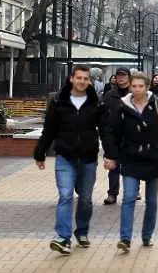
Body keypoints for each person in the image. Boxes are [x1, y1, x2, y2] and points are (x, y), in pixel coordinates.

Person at [34, 66, 106, 254]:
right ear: (72, 79)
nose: (82, 81)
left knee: (86, 199)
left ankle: (81, 232)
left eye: (86, 78)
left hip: (88, 158)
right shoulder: (58, 101)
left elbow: (105, 131)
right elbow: (48, 130)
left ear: (89, 81)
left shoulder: (95, 103)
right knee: (65, 196)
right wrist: (40, 153)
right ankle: (63, 238)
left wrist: (111, 154)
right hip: (65, 157)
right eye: (79, 78)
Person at [103, 72, 158, 252]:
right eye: (134, 86)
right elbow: (112, 132)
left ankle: (146, 236)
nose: (137, 89)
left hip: (153, 160)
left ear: (147, 87)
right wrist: (113, 154)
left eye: (140, 86)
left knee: (151, 201)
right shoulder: (123, 107)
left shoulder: (157, 105)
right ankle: (125, 239)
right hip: (130, 160)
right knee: (128, 197)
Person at [102, 67, 131, 205]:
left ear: (128, 77)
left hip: (130, 137)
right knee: (113, 166)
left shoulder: (135, 93)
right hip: (113, 137)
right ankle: (112, 193)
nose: (121, 78)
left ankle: (132, 191)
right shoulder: (109, 95)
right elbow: (103, 116)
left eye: (123, 76)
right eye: (119, 76)